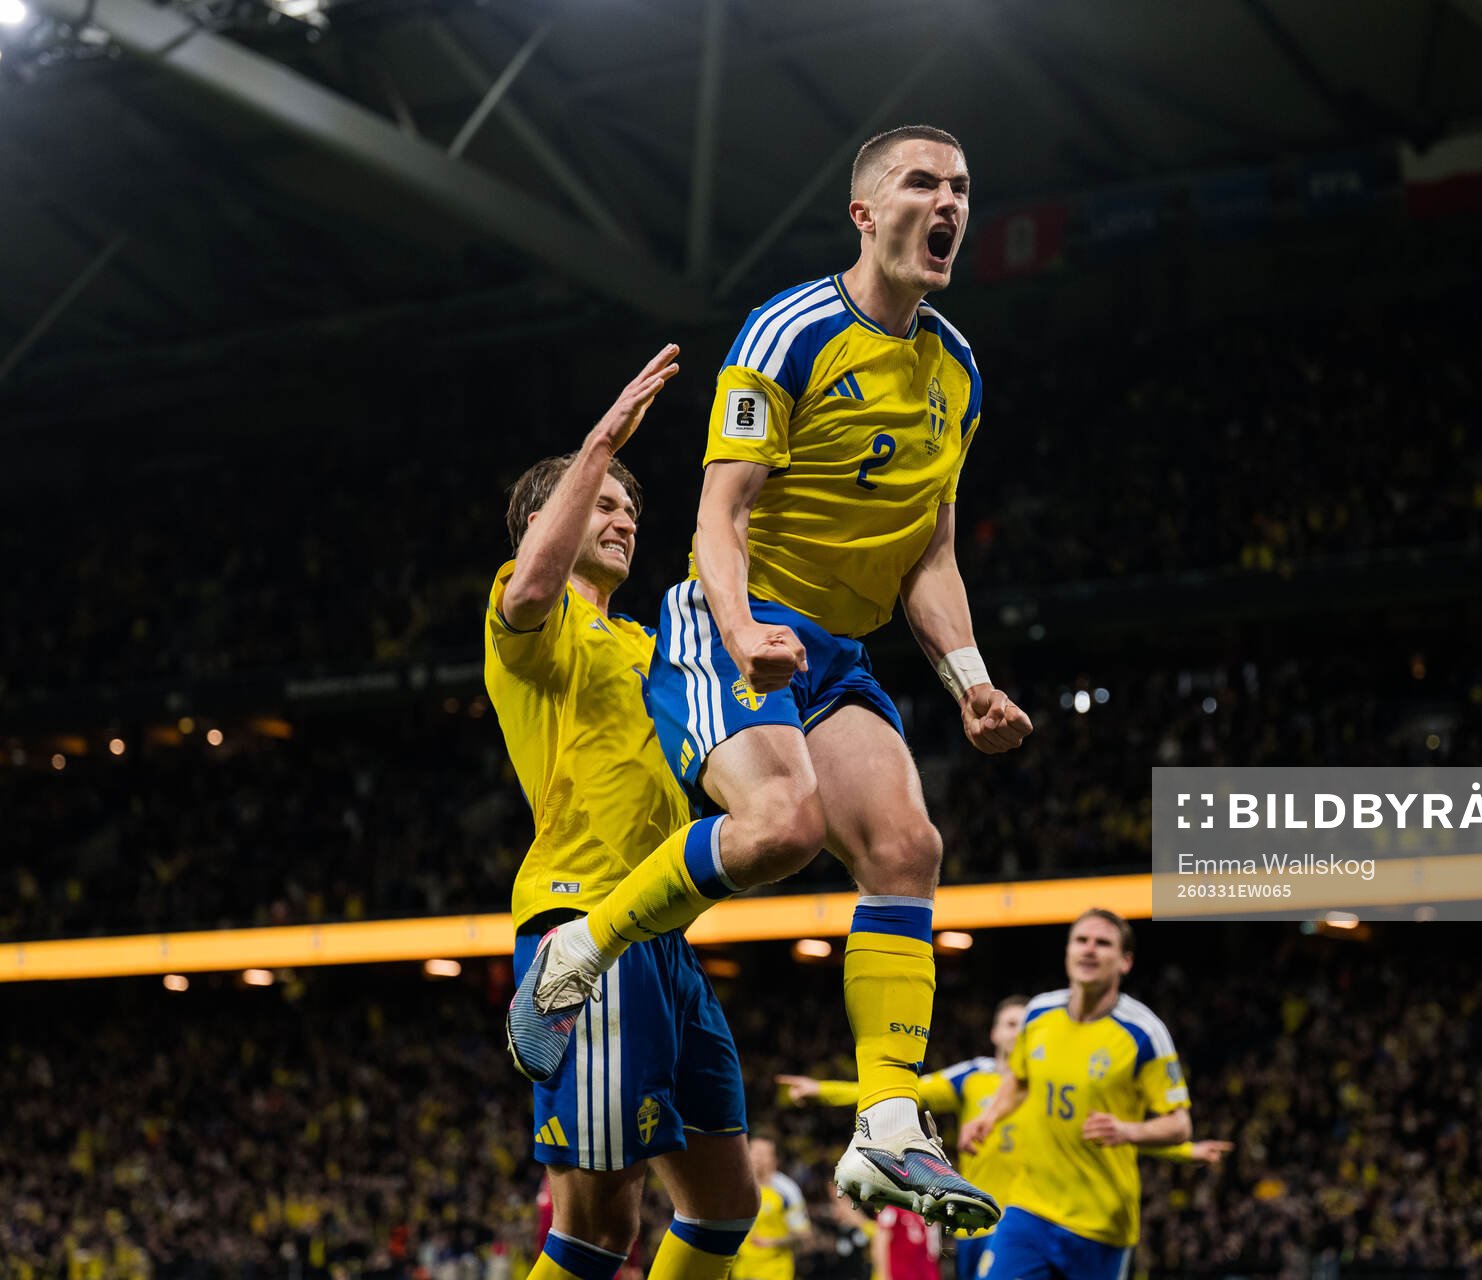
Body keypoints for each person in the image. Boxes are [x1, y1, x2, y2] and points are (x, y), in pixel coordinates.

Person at [507, 123, 1030, 1230]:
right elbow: (719, 514)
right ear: (863, 212)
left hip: (836, 649)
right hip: (728, 618)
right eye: (922, 182)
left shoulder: (959, 373)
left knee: (908, 846)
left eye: (963, 188)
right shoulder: (790, 331)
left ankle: (888, 1129)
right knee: (785, 822)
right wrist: (740, 628)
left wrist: (970, 677)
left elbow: (929, 551)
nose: (948, 203)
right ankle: (580, 946)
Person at [485, 348, 756, 1280]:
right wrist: (600, 444)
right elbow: (529, 586)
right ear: (541, 522)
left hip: (665, 935)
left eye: (631, 508)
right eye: (604, 502)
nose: (625, 517)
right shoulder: (539, 625)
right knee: (600, 1229)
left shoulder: (652, 643)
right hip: (583, 923)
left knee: (727, 1203)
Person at [780, 996, 1232, 1280]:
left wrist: (1184, 1150)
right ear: (995, 1032)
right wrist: (824, 1092)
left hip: (1036, 1219)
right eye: (1010, 1023)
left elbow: (1109, 1134)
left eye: (1024, 1023)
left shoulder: (1052, 1087)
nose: (1018, 1031)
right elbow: (902, 1091)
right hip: (976, 1217)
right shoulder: (973, 1078)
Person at [960, 911, 1194, 1280]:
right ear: (1068, 951)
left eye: (1103, 943)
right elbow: (1019, 1081)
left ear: (1125, 961)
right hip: (1029, 1208)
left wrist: (1127, 1130)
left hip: (1099, 1223)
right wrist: (989, 1117)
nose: (1089, 950)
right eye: (1081, 940)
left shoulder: (1144, 1033)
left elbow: (1179, 1125)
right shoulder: (1039, 1014)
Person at [734, 1137, 811, 1280]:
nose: (756, 1157)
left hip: (773, 1271)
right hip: (741, 1270)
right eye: (752, 1151)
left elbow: (803, 1234)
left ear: (774, 1160)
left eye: (762, 1153)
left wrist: (772, 1242)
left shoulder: (786, 1190)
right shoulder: (737, 1187)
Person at [872, 1204, 940, 1280]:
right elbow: (880, 1242)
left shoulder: (928, 1208)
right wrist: (883, 1275)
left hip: (926, 1271)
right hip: (901, 1273)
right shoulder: (893, 1205)